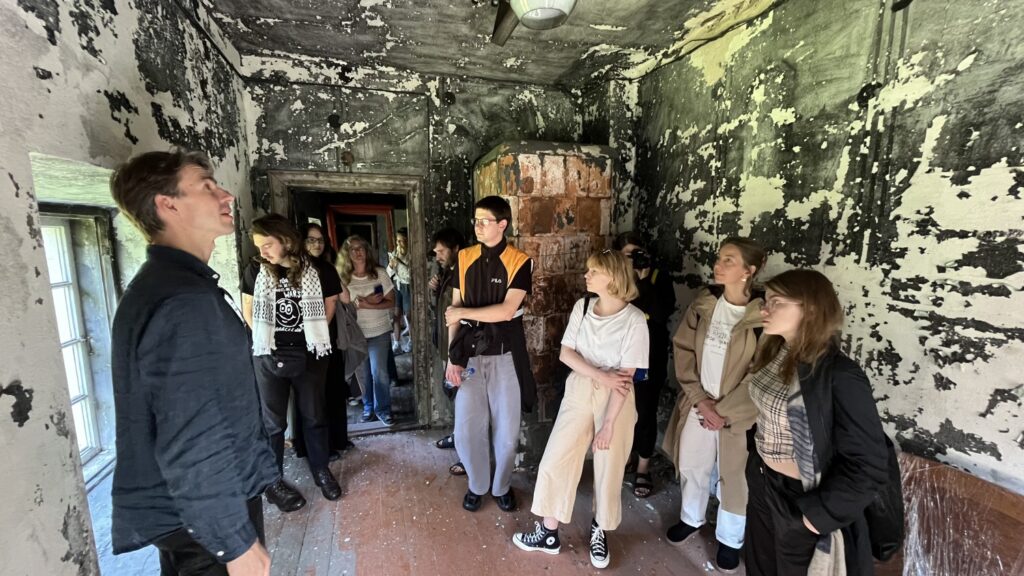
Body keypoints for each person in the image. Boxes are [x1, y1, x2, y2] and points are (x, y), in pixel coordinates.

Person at [109, 149, 277, 575]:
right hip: (205, 521)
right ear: (168, 205)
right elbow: (194, 433)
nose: (226, 196)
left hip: (195, 512)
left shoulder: (170, 285)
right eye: (206, 186)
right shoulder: (184, 301)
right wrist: (235, 543)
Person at [745, 269, 889, 576]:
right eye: (765, 300)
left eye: (776, 301)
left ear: (810, 309)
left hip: (802, 498)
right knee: (760, 566)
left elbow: (870, 465)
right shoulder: (775, 350)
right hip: (763, 481)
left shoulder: (839, 374)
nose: (764, 309)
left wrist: (813, 518)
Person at [512, 250, 648, 569]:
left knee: (608, 467)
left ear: (613, 277)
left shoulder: (635, 320)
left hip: (616, 399)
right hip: (581, 388)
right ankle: (548, 532)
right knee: (556, 458)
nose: (586, 275)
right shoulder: (583, 306)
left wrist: (608, 424)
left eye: (594, 271)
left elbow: (625, 378)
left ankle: (600, 529)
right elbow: (566, 354)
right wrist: (601, 375)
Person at [662, 237, 766, 572]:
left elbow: (760, 373)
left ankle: (730, 539)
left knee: (734, 476)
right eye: (719, 258)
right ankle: (691, 517)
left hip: (737, 413)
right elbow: (683, 349)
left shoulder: (762, 316)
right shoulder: (705, 303)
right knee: (693, 462)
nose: (718, 266)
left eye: (728, 261)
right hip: (699, 402)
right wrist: (700, 400)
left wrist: (722, 411)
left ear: (748, 271)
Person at [241, 214, 342, 509]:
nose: (262, 252)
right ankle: (273, 481)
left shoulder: (320, 269)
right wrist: (268, 342)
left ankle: (321, 470)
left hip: (310, 354)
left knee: (314, 415)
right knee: (272, 422)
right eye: (259, 246)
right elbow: (248, 308)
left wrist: (312, 338)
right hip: (268, 353)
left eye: (267, 244)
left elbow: (330, 305)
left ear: (286, 241)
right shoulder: (256, 270)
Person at [445, 195, 536, 514]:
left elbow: (507, 311)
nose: (478, 226)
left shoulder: (520, 261)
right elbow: (453, 312)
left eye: (484, 221)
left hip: (506, 355)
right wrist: (451, 359)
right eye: (476, 221)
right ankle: (477, 484)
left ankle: (501, 486)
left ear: (503, 224)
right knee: (466, 431)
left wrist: (464, 314)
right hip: (469, 356)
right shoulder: (464, 257)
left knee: (507, 434)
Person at [613, 231, 676, 498]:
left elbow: (661, 314)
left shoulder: (658, 278)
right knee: (620, 410)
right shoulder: (615, 279)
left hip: (651, 357)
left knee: (646, 412)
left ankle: (643, 467)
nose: (634, 259)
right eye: (628, 255)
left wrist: (644, 279)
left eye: (638, 254)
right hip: (620, 356)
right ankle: (626, 456)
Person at [291, 222, 353, 460]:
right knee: (316, 396)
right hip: (310, 339)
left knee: (330, 390)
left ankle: (335, 441)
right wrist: (314, 335)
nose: (316, 244)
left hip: (324, 338)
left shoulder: (325, 268)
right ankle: (320, 448)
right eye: (311, 239)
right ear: (301, 241)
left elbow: (343, 298)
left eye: (320, 240)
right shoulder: (295, 268)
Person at [339, 234, 397, 426]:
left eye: (361, 248)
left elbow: (391, 302)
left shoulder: (379, 273)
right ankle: (368, 407)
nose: (357, 252)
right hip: (356, 335)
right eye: (352, 249)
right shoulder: (344, 278)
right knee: (363, 375)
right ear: (347, 254)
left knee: (379, 372)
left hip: (379, 332)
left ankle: (383, 409)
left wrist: (366, 304)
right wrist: (363, 302)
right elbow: (341, 307)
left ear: (367, 250)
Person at [428, 227, 467, 477]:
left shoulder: (465, 274)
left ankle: (467, 454)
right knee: (454, 396)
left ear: (456, 249)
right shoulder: (448, 274)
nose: (438, 256)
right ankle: (458, 437)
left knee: (465, 402)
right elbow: (442, 312)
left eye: (442, 251)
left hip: (459, 351)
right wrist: (435, 291)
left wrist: (456, 355)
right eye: (436, 252)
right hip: (447, 347)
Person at [388, 227, 412, 353]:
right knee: (396, 316)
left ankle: (411, 341)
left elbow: (411, 274)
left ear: (407, 240)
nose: (398, 243)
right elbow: (388, 274)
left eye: (401, 241)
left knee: (409, 316)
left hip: (407, 286)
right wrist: (391, 266)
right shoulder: (395, 253)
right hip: (397, 286)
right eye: (397, 241)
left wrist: (400, 262)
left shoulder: (412, 254)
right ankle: (396, 343)